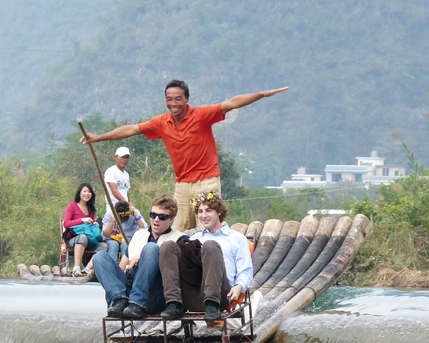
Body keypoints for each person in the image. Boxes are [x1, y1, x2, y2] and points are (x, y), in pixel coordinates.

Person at [80, 80, 289, 231]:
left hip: (207, 183)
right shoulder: (162, 122)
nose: (174, 103)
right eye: (169, 99)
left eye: (178, 99)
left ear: (187, 99)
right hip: (182, 186)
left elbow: (231, 103)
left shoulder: (201, 115)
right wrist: (98, 138)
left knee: (207, 231)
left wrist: (262, 94)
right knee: (177, 230)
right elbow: (131, 129)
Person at [158, 192, 253, 321]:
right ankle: (174, 304)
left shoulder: (236, 238)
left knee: (210, 246)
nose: (204, 216)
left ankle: (212, 305)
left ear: (219, 212)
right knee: (168, 245)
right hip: (193, 294)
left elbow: (246, 271)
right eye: (200, 212)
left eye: (209, 211)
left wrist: (239, 286)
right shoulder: (194, 238)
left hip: (221, 296)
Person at [92, 194, 185, 319]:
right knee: (100, 257)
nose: (156, 219)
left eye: (162, 217)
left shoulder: (179, 239)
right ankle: (119, 299)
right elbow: (121, 268)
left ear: (172, 219)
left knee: (151, 248)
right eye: (153, 215)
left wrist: (142, 256)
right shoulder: (138, 235)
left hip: (154, 292)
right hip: (130, 287)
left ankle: (137, 303)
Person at [63, 182, 107, 276]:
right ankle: (76, 268)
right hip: (73, 239)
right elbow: (66, 224)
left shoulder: (91, 209)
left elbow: (89, 228)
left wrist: (94, 224)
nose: (87, 194)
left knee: (103, 246)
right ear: (79, 193)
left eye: (89, 192)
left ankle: (87, 269)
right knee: (82, 237)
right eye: (85, 191)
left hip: (89, 240)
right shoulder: (72, 206)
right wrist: (82, 220)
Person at [104, 147, 131, 212]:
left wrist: (128, 204)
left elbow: (126, 191)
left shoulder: (126, 174)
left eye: (127, 157)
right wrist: (127, 204)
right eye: (122, 157)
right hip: (114, 208)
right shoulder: (111, 171)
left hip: (125, 208)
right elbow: (114, 191)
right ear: (116, 157)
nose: (124, 160)